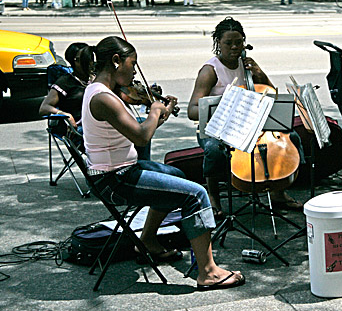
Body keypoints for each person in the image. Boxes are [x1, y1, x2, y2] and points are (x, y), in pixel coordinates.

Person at [81, 36, 245, 290]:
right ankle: (208, 272)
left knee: (176, 175)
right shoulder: (103, 98)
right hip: (116, 179)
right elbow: (140, 135)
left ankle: (147, 240)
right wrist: (155, 110)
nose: (135, 71)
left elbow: (140, 130)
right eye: (132, 64)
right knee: (196, 194)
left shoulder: (106, 92)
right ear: (116, 61)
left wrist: (158, 114)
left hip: (123, 170)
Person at [187, 17, 304, 220]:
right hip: (219, 128)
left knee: (292, 136)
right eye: (228, 43)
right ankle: (213, 197)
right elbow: (192, 110)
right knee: (214, 150)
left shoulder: (247, 64)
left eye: (238, 42)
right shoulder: (210, 71)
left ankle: (278, 191)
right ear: (218, 44)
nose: (234, 47)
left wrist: (260, 73)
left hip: (248, 125)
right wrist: (224, 105)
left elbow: (271, 94)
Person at [39, 43, 93, 130]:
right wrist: (64, 114)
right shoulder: (65, 82)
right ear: (73, 61)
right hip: (80, 127)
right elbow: (44, 107)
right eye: (81, 59)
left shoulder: (98, 77)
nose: (87, 63)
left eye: (89, 58)